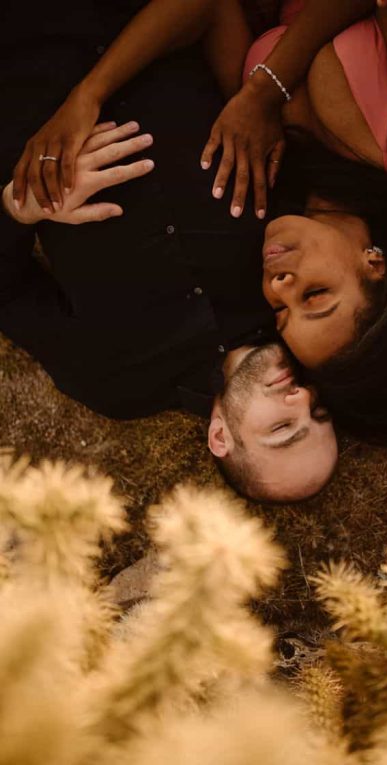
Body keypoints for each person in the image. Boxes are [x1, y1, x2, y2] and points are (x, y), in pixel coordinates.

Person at [9, 0, 387, 443]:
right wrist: (266, 91)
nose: (279, 284)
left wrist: (28, 197)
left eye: (279, 312)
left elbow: (212, 9)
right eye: (314, 296)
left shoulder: (267, 176)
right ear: (377, 265)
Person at [0, 1, 337, 503]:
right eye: (319, 411)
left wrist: (22, 208)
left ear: (220, 436)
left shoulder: (116, 382)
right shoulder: (291, 282)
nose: (303, 397)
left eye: (284, 427)